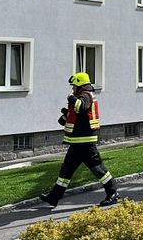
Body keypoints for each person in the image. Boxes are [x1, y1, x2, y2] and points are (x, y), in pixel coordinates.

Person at [39, 72, 119, 208]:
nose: (72, 89)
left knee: (98, 170)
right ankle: (53, 197)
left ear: (80, 85)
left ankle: (113, 193)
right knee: (66, 172)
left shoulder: (86, 95)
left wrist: (71, 99)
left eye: (73, 86)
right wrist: (66, 115)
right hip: (77, 143)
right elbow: (77, 115)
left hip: (86, 143)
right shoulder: (81, 96)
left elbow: (81, 107)